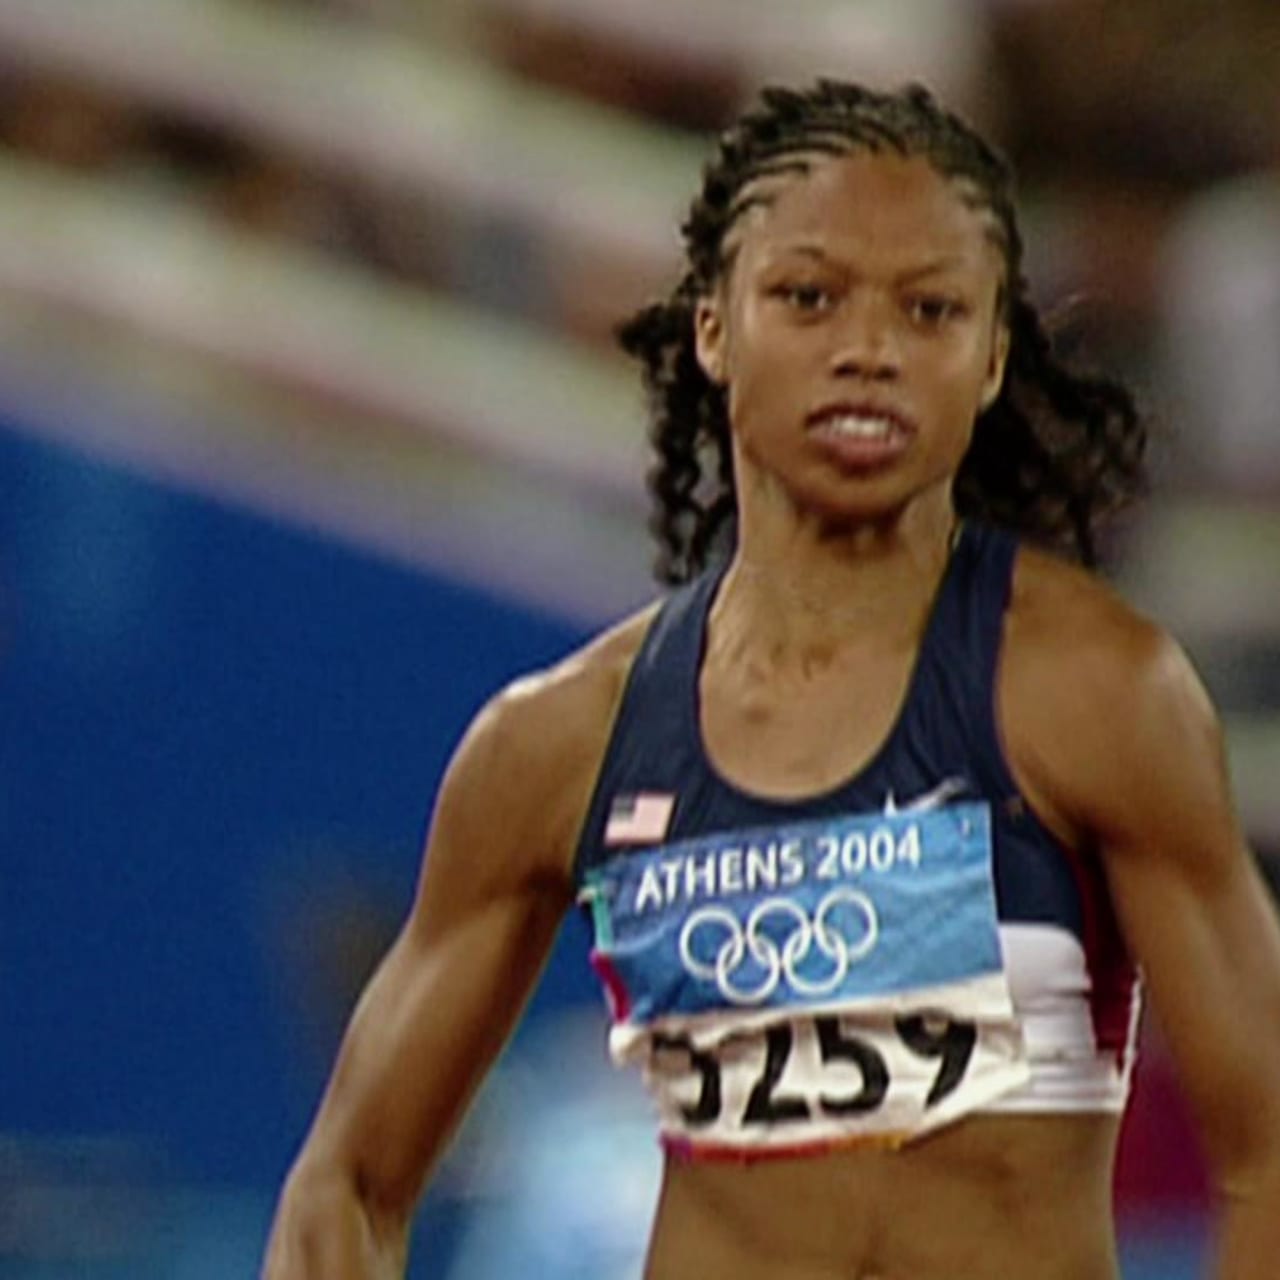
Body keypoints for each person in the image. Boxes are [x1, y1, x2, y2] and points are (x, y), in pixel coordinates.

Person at [261, 80, 1280, 1279]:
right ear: (712, 327)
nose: (867, 351)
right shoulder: (560, 742)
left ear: (990, 356)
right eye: (807, 296)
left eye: (930, 309)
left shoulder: (1092, 693)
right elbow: (346, 1183)